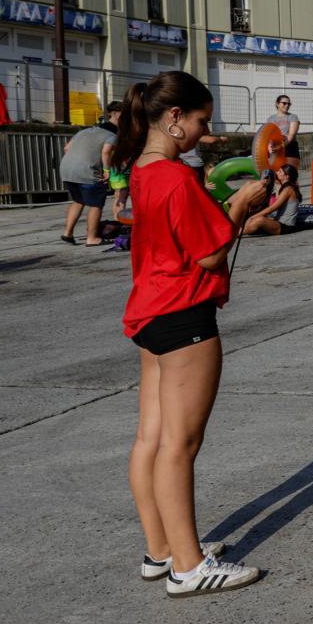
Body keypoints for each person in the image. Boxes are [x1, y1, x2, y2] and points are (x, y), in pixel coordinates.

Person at [117, 71, 271, 597]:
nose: (207, 132)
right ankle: (188, 566)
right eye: (202, 120)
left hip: (149, 309)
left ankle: (161, 550)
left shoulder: (142, 168)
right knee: (180, 446)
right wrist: (241, 204)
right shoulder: (176, 178)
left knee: (151, 439)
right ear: (174, 117)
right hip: (184, 313)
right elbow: (208, 251)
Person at [60, 101, 121, 246]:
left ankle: (67, 233)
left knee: (78, 200)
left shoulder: (83, 131)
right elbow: (106, 152)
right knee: (96, 204)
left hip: (67, 170)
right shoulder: (112, 136)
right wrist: (106, 170)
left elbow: (67, 148)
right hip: (87, 171)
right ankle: (92, 238)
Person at [243, 164, 301, 236]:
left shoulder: (288, 189)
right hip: (278, 222)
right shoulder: (285, 187)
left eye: (280, 172)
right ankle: (242, 229)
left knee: (259, 219)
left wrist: (253, 217)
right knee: (255, 216)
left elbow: (273, 208)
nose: (277, 172)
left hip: (286, 226)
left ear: (286, 176)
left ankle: (236, 233)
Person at [265, 95, 302, 166]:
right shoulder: (271, 119)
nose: (287, 105)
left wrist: (281, 146)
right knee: (276, 173)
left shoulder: (293, 117)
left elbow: (291, 135)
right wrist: (269, 146)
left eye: (289, 104)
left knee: (290, 173)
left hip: (290, 146)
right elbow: (268, 134)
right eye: (284, 103)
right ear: (277, 104)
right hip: (275, 147)